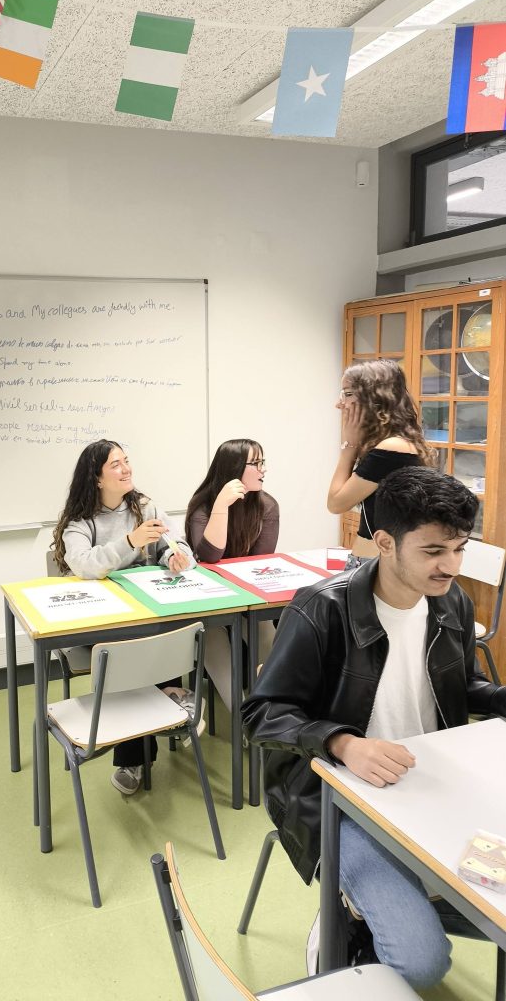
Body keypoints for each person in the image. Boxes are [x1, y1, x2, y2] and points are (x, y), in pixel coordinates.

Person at [242, 466, 506, 990]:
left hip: (427, 783)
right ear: (385, 543)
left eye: (460, 549)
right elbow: (261, 713)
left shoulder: (450, 602)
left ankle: (383, 907)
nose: (451, 566)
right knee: (422, 963)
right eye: (434, 551)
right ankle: (347, 916)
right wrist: (342, 743)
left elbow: (463, 688)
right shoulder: (322, 608)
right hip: (337, 799)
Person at [52, 439, 199, 797]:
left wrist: (174, 558)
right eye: (115, 464)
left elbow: (177, 546)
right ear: (97, 477)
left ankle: (135, 755)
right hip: (100, 622)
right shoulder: (79, 521)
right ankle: (171, 696)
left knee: (158, 635)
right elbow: (84, 565)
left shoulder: (145, 507)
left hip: (143, 614)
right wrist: (130, 542)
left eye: (126, 460)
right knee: (131, 652)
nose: (126, 468)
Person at [185, 438, 279, 710]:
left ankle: (271, 710)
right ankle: (242, 716)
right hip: (208, 598)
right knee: (211, 634)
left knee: (264, 630)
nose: (263, 469)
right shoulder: (203, 506)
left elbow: (260, 564)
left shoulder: (267, 506)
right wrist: (221, 507)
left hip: (247, 595)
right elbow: (210, 557)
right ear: (235, 468)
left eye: (263, 462)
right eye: (256, 463)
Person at [327, 359, 435, 571]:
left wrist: (349, 446)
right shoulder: (392, 444)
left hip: (377, 567)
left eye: (348, 394)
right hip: (372, 563)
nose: (340, 404)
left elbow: (336, 503)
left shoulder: (393, 448)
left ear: (374, 399)